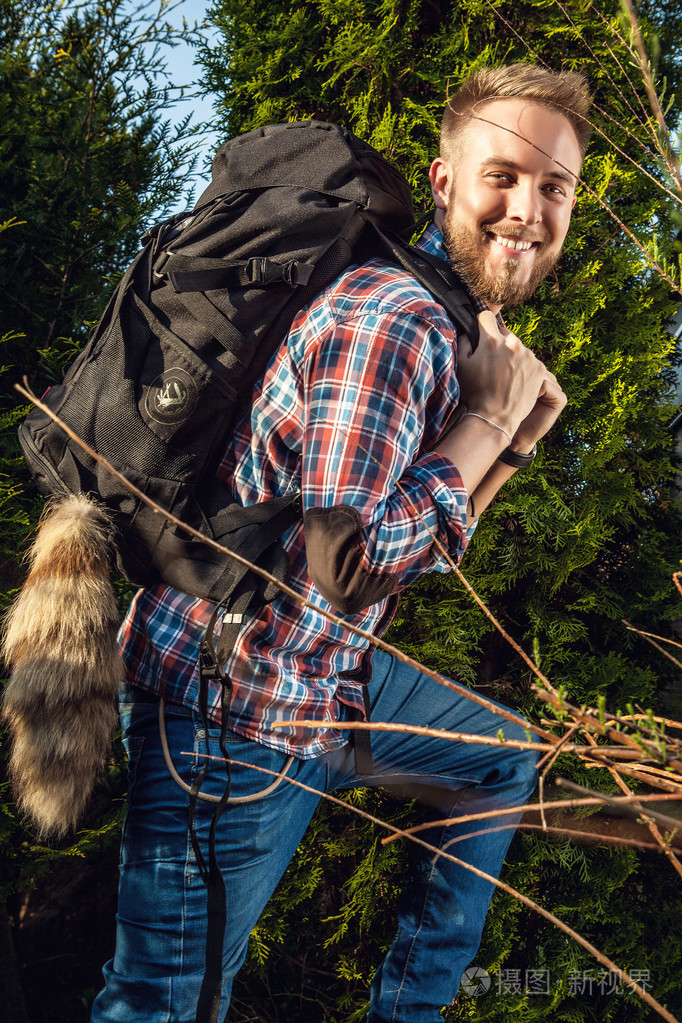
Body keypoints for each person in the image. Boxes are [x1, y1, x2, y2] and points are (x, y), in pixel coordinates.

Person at [91, 63, 592, 1023]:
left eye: (554, 187)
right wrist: (487, 424)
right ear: (444, 181)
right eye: (502, 176)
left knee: (499, 757)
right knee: (165, 1001)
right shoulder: (395, 320)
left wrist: (511, 445)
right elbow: (348, 564)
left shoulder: (448, 322)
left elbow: (413, 547)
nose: (528, 210)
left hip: (322, 668)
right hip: (238, 699)